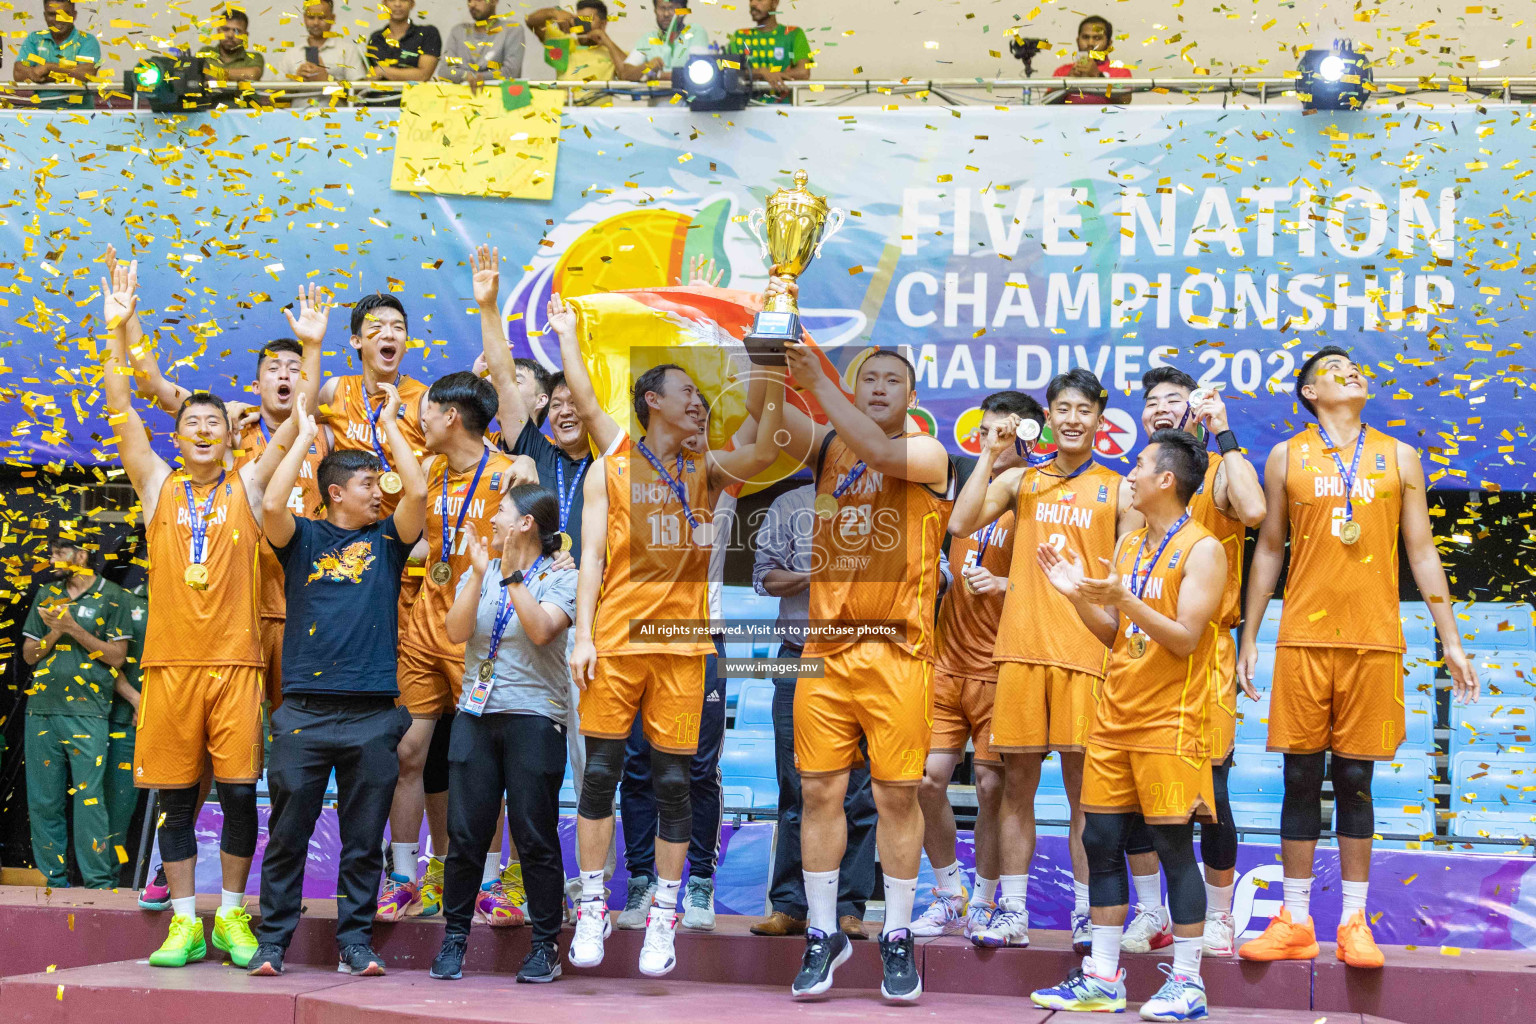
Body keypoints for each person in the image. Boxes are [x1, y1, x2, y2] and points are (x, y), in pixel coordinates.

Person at [1237, 347, 1479, 969]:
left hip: (1374, 640)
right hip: (1303, 641)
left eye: (1356, 366)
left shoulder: (1399, 456)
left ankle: (1352, 921)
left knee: (1355, 782)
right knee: (1298, 779)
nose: (1351, 370)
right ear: (1310, 393)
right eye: (1334, 368)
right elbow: (1268, 549)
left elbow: (1422, 551)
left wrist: (1450, 637)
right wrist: (1250, 634)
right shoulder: (1286, 455)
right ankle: (1293, 920)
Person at [747, 337, 952, 1003]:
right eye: (870, 378)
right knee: (817, 794)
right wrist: (770, 357)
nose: (880, 387)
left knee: (895, 796)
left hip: (897, 652)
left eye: (894, 379)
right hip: (824, 653)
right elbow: (771, 420)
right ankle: (822, 932)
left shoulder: (928, 454)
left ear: (912, 396)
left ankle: (895, 934)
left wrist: (826, 384)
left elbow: (884, 451)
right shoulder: (830, 447)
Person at [101, 258, 290, 969]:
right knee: (179, 803)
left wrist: (309, 347)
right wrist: (117, 330)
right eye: (193, 422)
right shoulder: (155, 485)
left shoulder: (246, 480)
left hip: (237, 666)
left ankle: (234, 916)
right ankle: (185, 922)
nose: (205, 429)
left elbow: (292, 424)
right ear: (176, 436)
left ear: (228, 435)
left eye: (216, 421)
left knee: (240, 796)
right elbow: (122, 407)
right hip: (170, 667)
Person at [567, 358, 783, 977]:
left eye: (701, 396)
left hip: (686, 648)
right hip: (615, 639)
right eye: (688, 393)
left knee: (672, 782)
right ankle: (591, 907)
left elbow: (768, 443)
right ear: (652, 400)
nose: (698, 404)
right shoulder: (613, 461)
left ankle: (665, 915)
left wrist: (767, 362)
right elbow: (589, 562)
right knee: (602, 773)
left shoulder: (708, 470)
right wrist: (584, 637)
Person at [1030, 429, 1227, 1021]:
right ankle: (1101, 976)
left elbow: (1185, 638)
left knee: (1170, 846)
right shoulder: (1131, 544)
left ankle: (1188, 981)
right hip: (1115, 716)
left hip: (1172, 722)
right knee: (1100, 841)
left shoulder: (1204, 549)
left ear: (1166, 479)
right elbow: (1122, 636)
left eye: (1138, 465)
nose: (1129, 474)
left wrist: (1127, 599)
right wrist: (1074, 597)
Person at [947, 368, 1136, 954]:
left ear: (1100, 418)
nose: (1074, 419)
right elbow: (959, 522)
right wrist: (989, 454)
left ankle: (1085, 912)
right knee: (1015, 791)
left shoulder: (1122, 489)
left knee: (1086, 797)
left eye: (1085, 409)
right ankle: (1012, 912)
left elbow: (1128, 580)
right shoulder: (1023, 481)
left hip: (1086, 655)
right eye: (1064, 408)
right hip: (1022, 652)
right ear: (1048, 417)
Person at [248, 391, 425, 978]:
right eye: (370, 483)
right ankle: (271, 942)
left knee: (362, 839)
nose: (382, 491)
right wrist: (301, 434)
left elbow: (418, 493)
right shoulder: (300, 538)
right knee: (288, 835)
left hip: (373, 713)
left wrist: (391, 424)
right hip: (302, 712)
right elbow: (270, 501)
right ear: (336, 493)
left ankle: (355, 943)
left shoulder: (388, 543)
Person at [120, 275, 330, 722]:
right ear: (255, 386)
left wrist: (312, 346)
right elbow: (153, 382)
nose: (285, 376)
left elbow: (306, 410)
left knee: (298, 735)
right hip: (237, 608)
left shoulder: (322, 434)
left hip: (305, 603)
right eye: (274, 369)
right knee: (216, 742)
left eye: (295, 368)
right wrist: (127, 319)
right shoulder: (222, 428)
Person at [1119, 367, 1265, 959]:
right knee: (1132, 787)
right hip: (1140, 647)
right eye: (1151, 401)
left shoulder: (1221, 478)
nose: (1160, 408)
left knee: (1212, 790)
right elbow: (1121, 560)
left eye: (1174, 400)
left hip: (1205, 652)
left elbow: (1254, 510)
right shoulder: (1142, 486)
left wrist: (1224, 430)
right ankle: (1152, 909)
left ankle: (1221, 915)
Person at [378, 372, 521, 923]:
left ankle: (488, 883)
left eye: (427, 410)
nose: (422, 418)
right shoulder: (429, 473)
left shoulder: (510, 478)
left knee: (481, 764)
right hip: (420, 636)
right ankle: (406, 877)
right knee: (407, 754)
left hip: (479, 643)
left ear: (450, 417)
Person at [429, 486, 578, 984]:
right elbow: (454, 631)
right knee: (466, 834)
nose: (492, 520)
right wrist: (475, 574)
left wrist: (513, 576)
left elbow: (540, 630)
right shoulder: (483, 569)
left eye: (502, 514)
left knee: (534, 835)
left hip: (535, 716)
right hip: (475, 714)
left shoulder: (564, 576)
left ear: (527, 525)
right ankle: (454, 940)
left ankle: (544, 947)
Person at [912, 390, 1042, 942]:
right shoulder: (969, 483)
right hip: (947, 662)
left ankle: (987, 901)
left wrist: (1008, 584)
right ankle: (949, 891)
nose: (994, 438)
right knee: (924, 780)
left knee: (992, 787)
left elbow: (1061, 578)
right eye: (987, 429)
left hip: (1001, 666)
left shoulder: (1039, 491)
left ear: (1029, 432)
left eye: (1006, 430)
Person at [749, 483, 878, 942]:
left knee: (859, 793)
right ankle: (789, 905)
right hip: (798, 653)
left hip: (868, 655)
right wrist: (813, 574)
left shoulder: (891, 497)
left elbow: (935, 570)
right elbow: (762, 577)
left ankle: (848, 908)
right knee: (796, 786)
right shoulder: (791, 505)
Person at [21, 532, 131, 890]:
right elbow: (29, 655)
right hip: (41, 711)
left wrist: (71, 628)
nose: (54, 558)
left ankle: (98, 882)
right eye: (52, 551)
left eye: (61, 551)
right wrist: (54, 632)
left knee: (90, 800)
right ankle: (53, 880)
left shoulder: (114, 597)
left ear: (82, 554)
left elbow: (116, 657)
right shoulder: (46, 595)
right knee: (44, 801)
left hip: (89, 712)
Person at [315, 291, 430, 518]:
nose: (389, 334)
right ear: (356, 341)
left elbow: (471, 449)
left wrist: (522, 459)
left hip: (401, 541)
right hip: (344, 538)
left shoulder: (424, 400)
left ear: (405, 343)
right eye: (377, 327)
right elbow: (294, 421)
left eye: (398, 328)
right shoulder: (335, 391)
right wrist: (249, 413)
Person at [108, 583, 149, 881]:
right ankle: (108, 884)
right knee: (118, 809)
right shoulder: (123, 599)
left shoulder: (196, 592)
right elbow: (100, 656)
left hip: (180, 721)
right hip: (127, 722)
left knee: (177, 809)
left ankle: (166, 883)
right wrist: (136, 699)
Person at [526, 2, 628, 105]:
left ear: (603, 24)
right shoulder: (562, 42)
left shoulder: (611, 51)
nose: (582, 26)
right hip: (565, 113)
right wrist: (554, 13)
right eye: (579, 20)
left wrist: (607, 41)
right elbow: (531, 21)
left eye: (587, 20)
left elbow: (630, 73)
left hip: (598, 116)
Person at [270, 0, 365, 105]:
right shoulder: (291, 54)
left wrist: (327, 81)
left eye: (321, 18)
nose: (316, 22)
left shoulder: (348, 50)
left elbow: (359, 95)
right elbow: (275, 97)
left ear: (332, 19)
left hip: (336, 119)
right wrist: (295, 84)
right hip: (297, 119)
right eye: (311, 17)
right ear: (304, 18)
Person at [10, 0, 101, 109]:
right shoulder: (34, 39)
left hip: (79, 117)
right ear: (45, 15)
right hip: (42, 116)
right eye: (52, 14)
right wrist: (68, 74)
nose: (58, 19)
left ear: (74, 15)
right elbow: (19, 72)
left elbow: (86, 73)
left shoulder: (86, 40)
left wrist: (49, 68)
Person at [730, 0, 810, 103]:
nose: (753, 4)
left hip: (784, 112)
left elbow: (804, 72)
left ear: (775, 3)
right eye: (751, 0)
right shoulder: (740, 36)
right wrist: (760, 72)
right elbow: (729, 72)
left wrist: (771, 74)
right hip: (746, 111)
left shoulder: (793, 34)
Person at [363, 0, 442, 104]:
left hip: (415, 105)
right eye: (392, 0)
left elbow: (423, 75)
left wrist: (383, 71)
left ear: (412, 4)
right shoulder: (376, 38)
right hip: (376, 105)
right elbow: (371, 76)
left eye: (403, 0)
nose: (397, 4)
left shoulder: (427, 34)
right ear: (384, 4)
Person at [618, 0, 708, 81]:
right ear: (655, 11)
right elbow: (625, 74)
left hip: (685, 99)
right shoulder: (648, 39)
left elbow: (697, 74)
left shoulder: (695, 32)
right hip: (655, 99)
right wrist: (648, 66)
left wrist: (655, 75)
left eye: (672, 8)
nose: (666, 14)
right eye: (662, 8)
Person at [439, 0, 525, 84]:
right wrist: (468, 76)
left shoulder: (511, 30)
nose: (472, 4)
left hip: (498, 96)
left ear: (494, 1)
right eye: (469, 0)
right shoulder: (458, 32)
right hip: (461, 96)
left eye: (478, 0)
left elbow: (511, 72)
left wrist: (477, 78)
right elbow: (444, 71)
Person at [1052, 15, 1130, 104]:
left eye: (1097, 38)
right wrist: (1067, 82)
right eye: (1085, 37)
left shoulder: (1120, 71)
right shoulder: (1062, 71)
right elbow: (1046, 104)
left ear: (1109, 43)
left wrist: (1097, 76)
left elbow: (1125, 101)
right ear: (1078, 41)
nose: (1090, 43)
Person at [200, 7, 265, 82]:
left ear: (245, 36)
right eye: (226, 29)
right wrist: (238, 75)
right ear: (218, 31)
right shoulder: (205, 52)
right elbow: (195, 74)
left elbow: (252, 75)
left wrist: (210, 73)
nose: (230, 35)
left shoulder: (254, 57)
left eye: (237, 31)